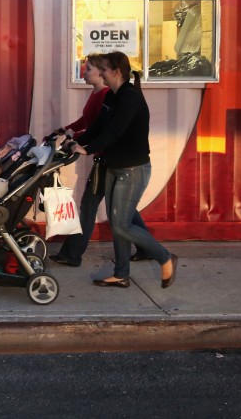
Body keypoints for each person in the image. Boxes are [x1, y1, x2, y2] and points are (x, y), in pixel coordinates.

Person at [72, 51, 178, 289]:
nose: (101, 73)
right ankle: (121, 274)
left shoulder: (130, 97)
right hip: (113, 166)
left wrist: (87, 150)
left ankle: (165, 257)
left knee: (121, 224)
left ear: (116, 72)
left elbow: (115, 131)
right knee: (117, 221)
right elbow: (99, 127)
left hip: (133, 169)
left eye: (105, 70)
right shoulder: (112, 97)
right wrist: (77, 142)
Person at [52, 53, 153, 267]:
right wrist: (71, 134)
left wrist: (84, 148)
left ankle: (73, 254)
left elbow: (111, 131)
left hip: (117, 162)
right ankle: (141, 253)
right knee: (122, 213)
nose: (85, 73)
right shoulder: (105, 96)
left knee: (101, 212)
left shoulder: (119, 96)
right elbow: (94, 124)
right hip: (108, 159)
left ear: (108, 72)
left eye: (90, 69)